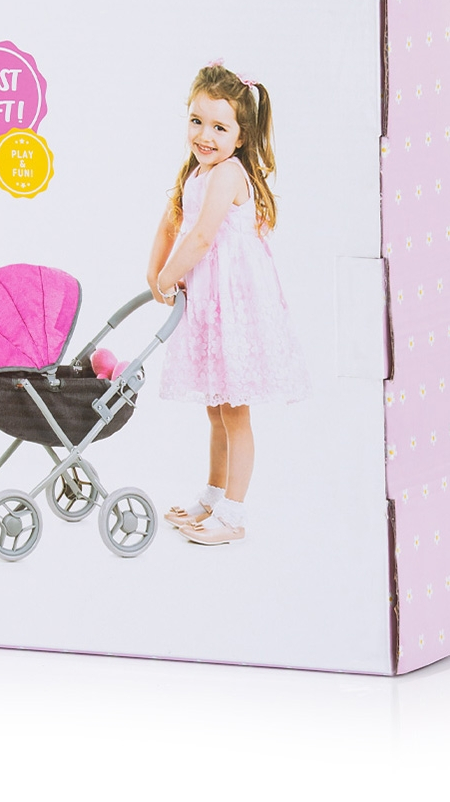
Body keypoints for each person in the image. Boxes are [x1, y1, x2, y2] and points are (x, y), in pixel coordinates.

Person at [146, 62, 309, 545]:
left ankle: (233, 514)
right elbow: (171, 222)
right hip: (210, 306)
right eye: (197, 121)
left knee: (235, 411)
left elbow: (200, 238)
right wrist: (154, 272)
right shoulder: (196, 172)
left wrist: (169, 277)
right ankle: (214, 494)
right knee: (215, 408)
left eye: (220, 127)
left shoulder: (227, 175)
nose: (205, 135)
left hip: (235, 309)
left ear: (241, 136)